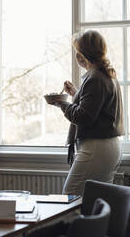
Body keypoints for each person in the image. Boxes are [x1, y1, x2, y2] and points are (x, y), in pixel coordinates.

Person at [47, 30, 124, 196]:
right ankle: (98, 223)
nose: (77, 57)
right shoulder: (107, 74)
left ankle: (80, 224)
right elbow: (95, 107)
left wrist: (62, 103)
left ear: (83, 55)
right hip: (109, 146)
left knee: (71, 195)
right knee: (97, 198)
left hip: (96, 146)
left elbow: (83, 117)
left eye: (78, 52)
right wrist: (76, 93)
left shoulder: (95, 77)